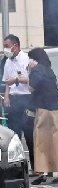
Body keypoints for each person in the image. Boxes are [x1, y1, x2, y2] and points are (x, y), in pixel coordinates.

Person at [27, 48, 58, 185]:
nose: (29, 61)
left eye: (30, 58)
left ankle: (43, 173)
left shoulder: (37, 70)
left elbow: (31, 88)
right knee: (57, 141)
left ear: (35, 58)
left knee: (41, 141)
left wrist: (29, 71)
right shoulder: (49, 70)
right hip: (56, 109)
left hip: (44, 110)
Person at [2, 34, 34, 173]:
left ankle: (36, 168)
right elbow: (7, 82)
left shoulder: (27, 59)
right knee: (14, 136)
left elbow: (30, 79)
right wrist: (7, 97)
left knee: (30, 136)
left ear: (16, 45)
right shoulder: (8, 61)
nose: (6, 49)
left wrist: (16, 79)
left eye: (7, 46)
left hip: (27, 98)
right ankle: (16, 169)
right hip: (14, 100)